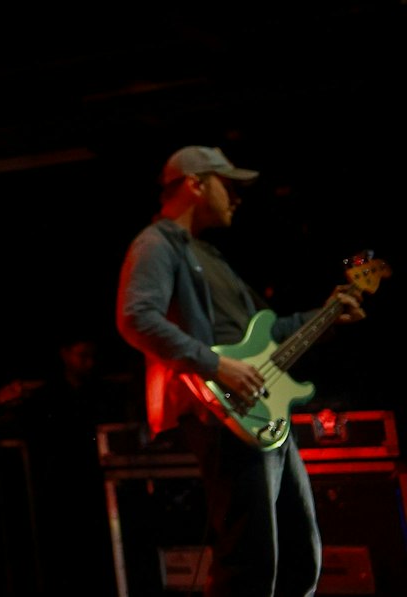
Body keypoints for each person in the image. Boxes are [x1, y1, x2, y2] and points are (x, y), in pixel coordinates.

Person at [116, 145, 365, 597]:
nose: (236, 198)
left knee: (299, 556)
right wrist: (218, 366)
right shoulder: (155, 244)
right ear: (195, 184)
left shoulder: (210, 257)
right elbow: (136, 318)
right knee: (251, 562)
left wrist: (325, 315)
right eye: (228, 186)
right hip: (224, 413)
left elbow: (268, 336)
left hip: (263, 408)